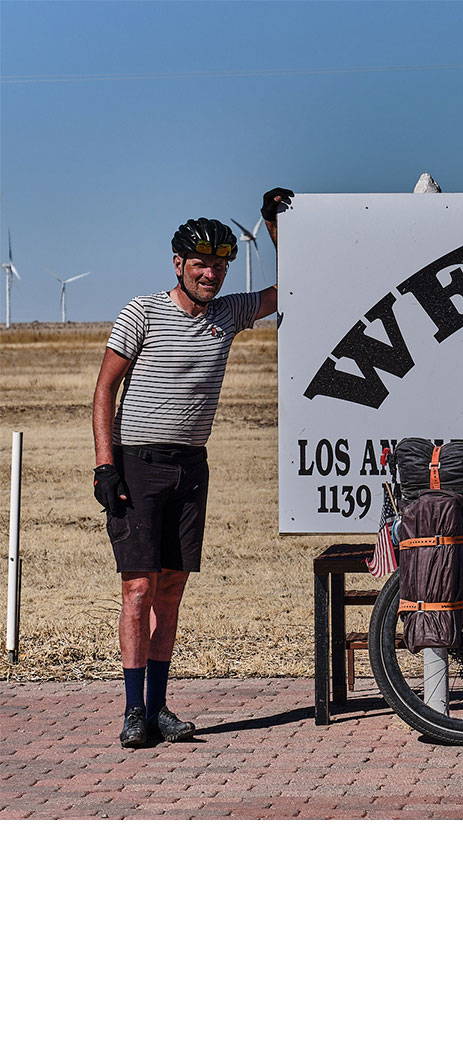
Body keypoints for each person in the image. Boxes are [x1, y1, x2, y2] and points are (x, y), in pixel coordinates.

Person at [93, 188, 292, 748]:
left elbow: (295, 285)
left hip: (191, 464)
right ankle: (134, 713)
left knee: (172, 589)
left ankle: (158, 709)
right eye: (202, 263)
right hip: (137, 463)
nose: (212, 274)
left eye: (222, 265)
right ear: (178, 263)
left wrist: (277, 225)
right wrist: (105, 467)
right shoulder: (143, 311)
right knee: (138, 587)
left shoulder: (228, 314)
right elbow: (105, 388)